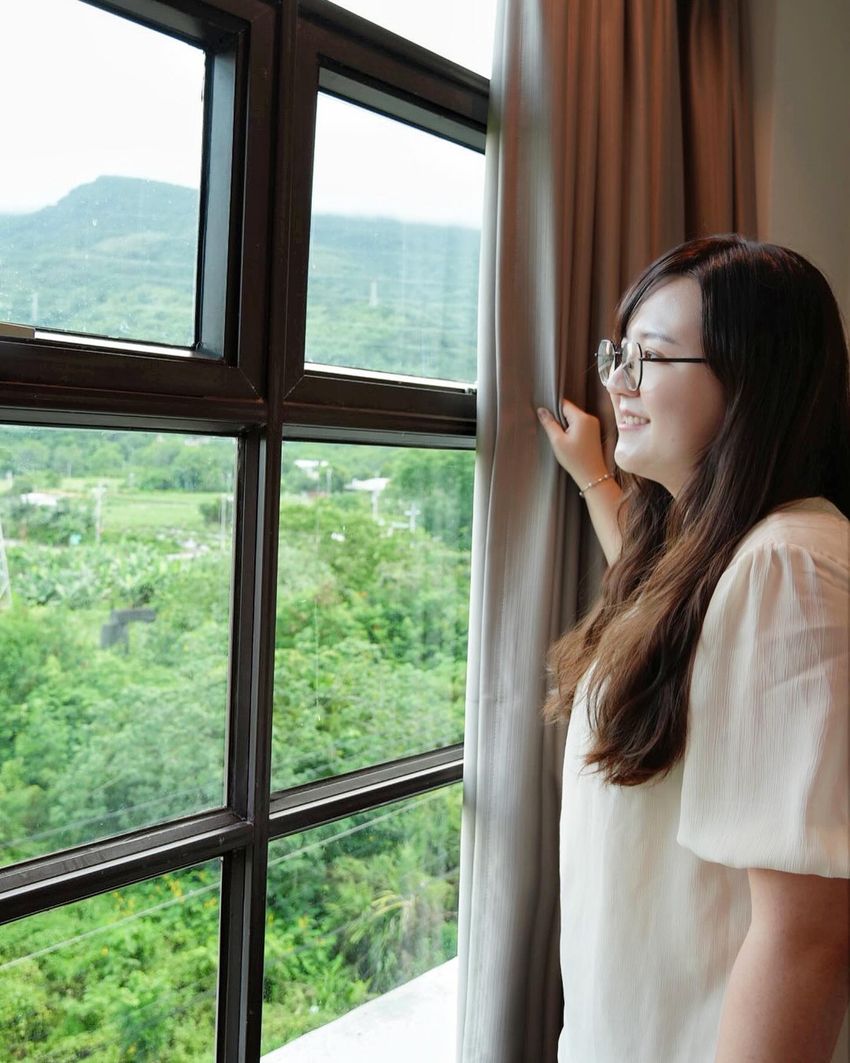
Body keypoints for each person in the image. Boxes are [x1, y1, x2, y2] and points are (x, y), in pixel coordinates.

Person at [536, 234, 850, 1063]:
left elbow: (807, 937)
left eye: (650, 357)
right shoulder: (725, 553)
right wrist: (594, 476)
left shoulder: (786, 567)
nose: (618, 381)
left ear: (752, 381)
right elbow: (675, 627)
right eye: (618, 354)